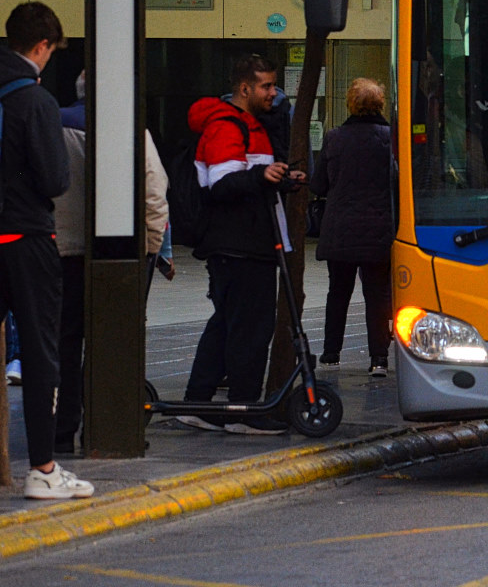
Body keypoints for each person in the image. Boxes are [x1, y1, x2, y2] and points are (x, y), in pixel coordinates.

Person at [180, 55, 305, 434]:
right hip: (240, 243)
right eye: (266, 86)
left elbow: (247, 179)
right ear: (245, 88)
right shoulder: (226, 125)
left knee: (228, 325)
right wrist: (262, 175)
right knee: (250, 328)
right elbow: (223, 182)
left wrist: (279, 180)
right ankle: (244, 409)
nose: (274, 93)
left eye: (274, 85)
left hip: (239, 242)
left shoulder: (248, 124)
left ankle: (199, 403)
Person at [0, 2, 91, 498]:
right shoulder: (36, 103)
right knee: (40, 353)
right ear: (41, 47)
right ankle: (44, 468)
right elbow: (55, 179)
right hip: (27, 238)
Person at [52, 71, 169, 454]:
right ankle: (104, 430)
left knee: (65, 342)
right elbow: (154, 191)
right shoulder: (131, 129)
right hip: (118, 254)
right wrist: (151, 248)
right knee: (113, 341)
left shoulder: (54, 122)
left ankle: (61, 429)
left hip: (62, 251)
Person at [312, 78, 395, 376]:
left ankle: (331, 352)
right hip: (379, 228)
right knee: (377, 295)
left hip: (341, 228)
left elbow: (318, 183)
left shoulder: (334, 138)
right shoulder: (391, 140)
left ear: (350, 103)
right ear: (381, 104)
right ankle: (379, 359)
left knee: (338, 292)